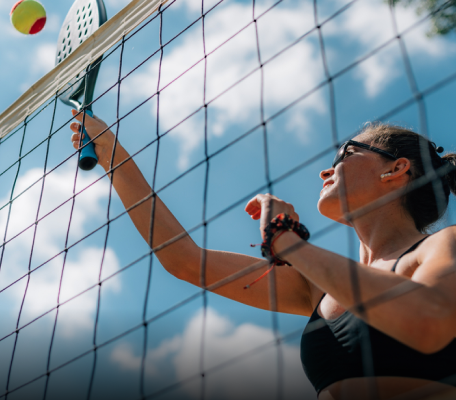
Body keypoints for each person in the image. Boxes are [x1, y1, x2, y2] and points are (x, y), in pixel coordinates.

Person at [70, 109, 456, 400]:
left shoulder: (444, 244)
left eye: (346, 154)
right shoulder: (317, 288)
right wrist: (113, 157)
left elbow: (428, 322)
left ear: (397, 169)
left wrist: (286, 242)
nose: (326, 171)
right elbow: (185, 260)